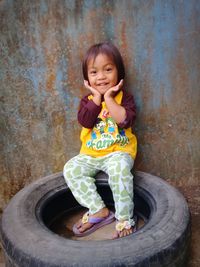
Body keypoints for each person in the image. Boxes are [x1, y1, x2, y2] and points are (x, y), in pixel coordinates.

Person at [63, 42, 137, 238]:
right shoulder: (87, 101)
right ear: (87, 78)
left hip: (118, 153)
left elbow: (123, 120)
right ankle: (98, 210)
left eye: (108, 69)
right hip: (91, 154)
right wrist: (97, 98)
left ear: (118, 72)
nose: (101, 76)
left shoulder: (125, 98)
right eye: (94, 72)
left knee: (120, 171)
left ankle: (124, 219)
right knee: (71, 169)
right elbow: (85, 121)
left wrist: (110, 99)